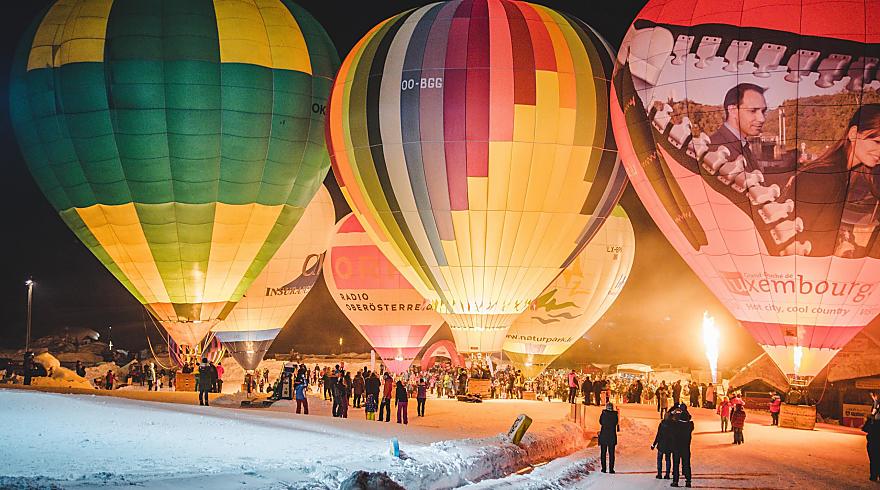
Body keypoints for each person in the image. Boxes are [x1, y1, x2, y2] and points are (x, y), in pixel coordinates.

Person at [783, 104, 880, 258]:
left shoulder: (843, 174)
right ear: (853, 134)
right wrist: (836, 250)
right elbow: (796, 240)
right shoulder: (823, 177)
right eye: (877, 142)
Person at [709, 83, 767, 172]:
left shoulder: (743, 145)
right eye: (753, 111)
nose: (762, 119)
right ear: (732, 110)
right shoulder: (715, 149)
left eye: (763, 111)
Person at [670, 403, 694, 488]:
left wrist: (674, 412)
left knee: (676, 465)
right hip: (686, 448)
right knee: (686, 465)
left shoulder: (676, 425)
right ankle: (688, 481)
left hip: (676, 448)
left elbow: (669, 420)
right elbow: (689, 418)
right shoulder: (690, 425)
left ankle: (675, 481)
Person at [652, 411, 674, 479]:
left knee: (659, 459)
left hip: (661, 444)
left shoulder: (662, 424)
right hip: (669, 445)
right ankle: (667, 474)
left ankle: (659, 474)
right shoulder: (673, 425)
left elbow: (658, 435)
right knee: (668, 460)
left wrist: (654, 444)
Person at [598, 402, 620, 473]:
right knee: (611, 454)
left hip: (604, 436)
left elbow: (600, 422)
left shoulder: (603, 414)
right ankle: (611, 469)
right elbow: (616, 423)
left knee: (603, 453)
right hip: (612, 436)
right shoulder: (615, 415)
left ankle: (603, 469)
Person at [864, 414, 880, 481]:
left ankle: (874, 475)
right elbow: (865, 428)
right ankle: (874, 475)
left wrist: (870, 420)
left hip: (873, 443)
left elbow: (865, 428)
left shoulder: (873, 421)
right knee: (874, 460)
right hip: (873, 442)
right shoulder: (873, 421)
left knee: (873, 460)